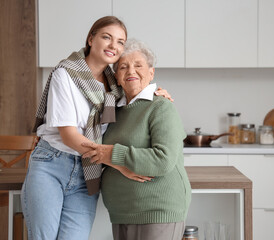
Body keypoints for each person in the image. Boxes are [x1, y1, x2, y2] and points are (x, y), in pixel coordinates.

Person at [21, 16, 171, 240]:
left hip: (87, 171)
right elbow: (70, 136)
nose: (114, 46)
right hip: (51, 165)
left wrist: (159, 92)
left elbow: (136, 92)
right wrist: (118, 164)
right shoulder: (65, 74)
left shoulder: (115, 85)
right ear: (91, 39)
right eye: (107, 37)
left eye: (120, 41)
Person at [82, 38, 191, 240]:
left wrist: (113, 153)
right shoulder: (112, 110)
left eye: (138, 65)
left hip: (157, 209)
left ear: (151, 73)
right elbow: (98, 152)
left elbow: (163, 159)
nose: (131, 71)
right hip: (121, 211)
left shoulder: (161, 107)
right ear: (116, 76)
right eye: (123, 67)